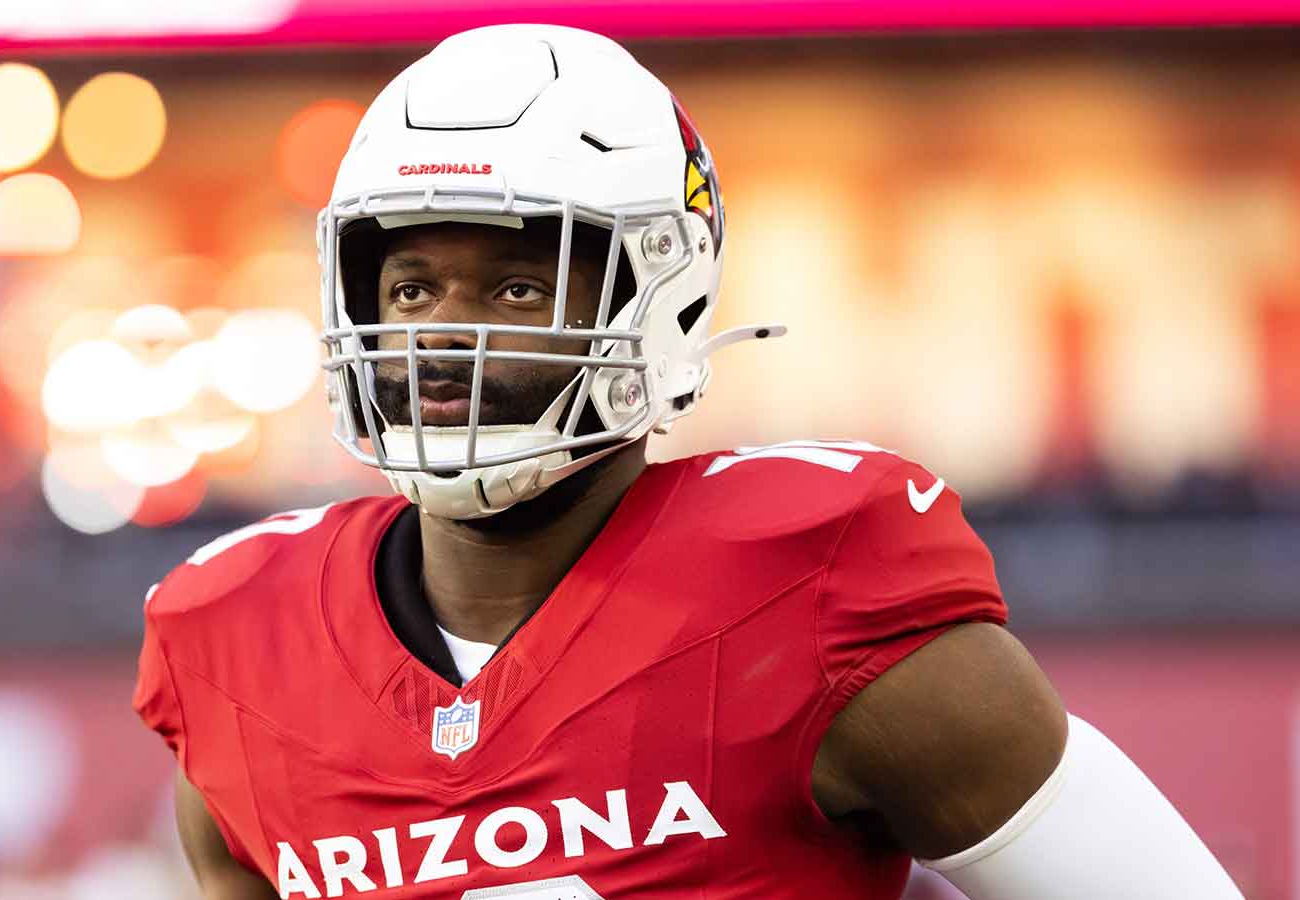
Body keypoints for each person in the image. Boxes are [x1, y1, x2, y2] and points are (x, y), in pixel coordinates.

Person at [135, 24, 1242, 900]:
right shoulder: (238, 642)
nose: (441, 336)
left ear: (661, 298)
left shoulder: (816, 588)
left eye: (516, 289)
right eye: (411, 287)